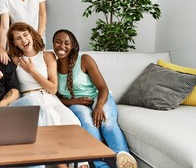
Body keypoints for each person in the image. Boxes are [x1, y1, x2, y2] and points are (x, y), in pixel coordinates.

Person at [52, 29, 138, 168]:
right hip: (76, 104)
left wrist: (98, 107)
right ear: (53, 44)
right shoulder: (52, 65)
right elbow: (54, 97)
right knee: (88, 124)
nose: (62, 46)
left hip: (99, 98)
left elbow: (103, 88)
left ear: (73, 45)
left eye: (67, 43)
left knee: (107, 123)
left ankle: (124, 161)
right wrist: (74, 101)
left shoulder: (84, 59)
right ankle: (101, 166)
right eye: (58, 42)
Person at [7, 22, 80, 127]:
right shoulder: (16, 59)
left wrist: (32, 71)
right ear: (14, 43)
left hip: (50, 98)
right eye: (18, 38)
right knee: (48, 113)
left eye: (25, 35)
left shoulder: (47, 56)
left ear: (31, 35)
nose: (23, 40)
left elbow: (53, 89)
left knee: (74, 123)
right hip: (31, 99)